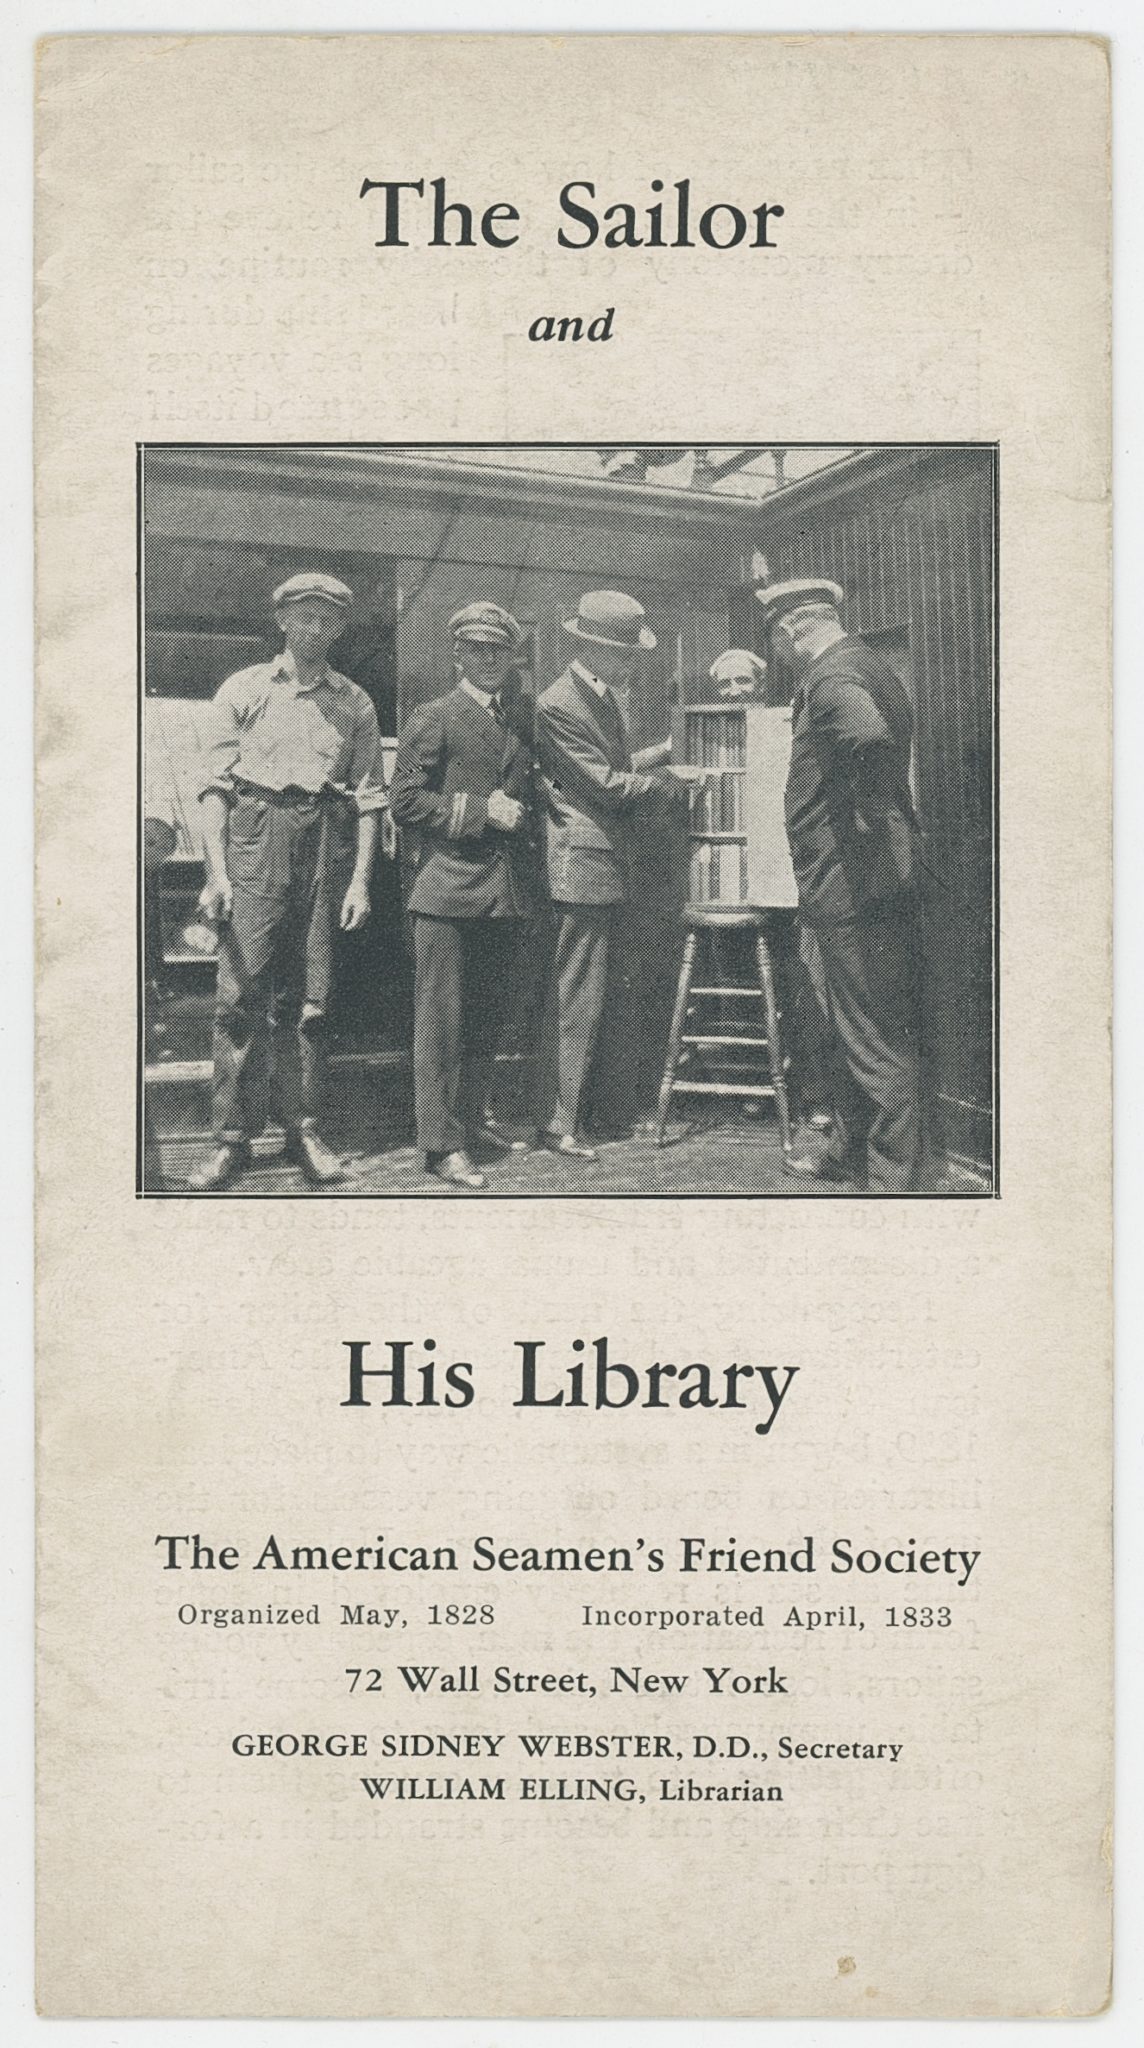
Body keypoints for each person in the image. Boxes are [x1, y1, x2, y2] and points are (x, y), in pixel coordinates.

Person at [189, 572, 388, 1193]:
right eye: (305, 617)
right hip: (255, 837)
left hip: (323, 845)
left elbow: (368, 798)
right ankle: (229, 1140)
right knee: (240, 998)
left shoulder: (355, 702)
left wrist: (359, 883)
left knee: (313, 999)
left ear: (339, 628)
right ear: (283, 621)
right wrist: (216, 875)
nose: (316, 629)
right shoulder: (244, 689)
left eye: (328, 620)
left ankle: (304, 1129)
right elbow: (215, 790)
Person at [756, 576, 937, 1193]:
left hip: (853, 890)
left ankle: (892, 1181)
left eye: (775, 641)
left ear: (789, 631)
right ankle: (854, 1155)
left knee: (873, 1036)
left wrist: (866, 840)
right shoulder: (867, 664)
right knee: (842, 1026)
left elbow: (869, 745)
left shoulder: (833, 681)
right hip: (842, 889)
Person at [389, 602, 543, 1190]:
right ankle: (441, 1146)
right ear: (458, 655)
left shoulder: (523, 717)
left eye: (498, 651)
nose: (488, 660)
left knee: (485, 1020)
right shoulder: (436, 716)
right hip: (449, 890)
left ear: (512, 657)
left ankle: (471, 1122)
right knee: (441, 1025)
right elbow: (404, 803)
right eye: (476, 650)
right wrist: (482, 812)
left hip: (505, 893)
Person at [534, 589, 689, 1159]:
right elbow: (602, 786)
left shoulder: (594, 696)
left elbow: (614, 767)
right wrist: (670, 783)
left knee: (593, 993)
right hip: (582, 866)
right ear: (590, 649)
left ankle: (584, 1115)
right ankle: (559, 1124)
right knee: (577, 994)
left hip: (600, 866)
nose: (631, 663)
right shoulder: (560, 704)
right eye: (623, 654)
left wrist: (664, 754)